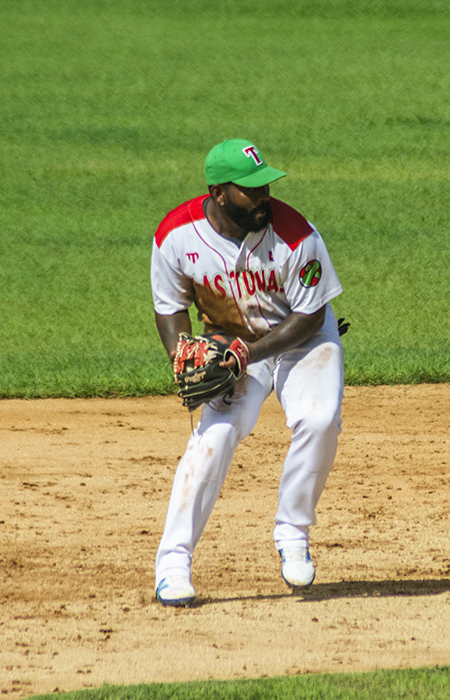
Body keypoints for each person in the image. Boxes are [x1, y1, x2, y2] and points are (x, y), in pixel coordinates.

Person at [150, 139, 345, 605]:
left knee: (319, 418)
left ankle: (293, 532)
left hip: (302, 340)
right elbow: (170, 306)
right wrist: (183, 353)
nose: (263, 198)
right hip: (229, 340)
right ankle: (173, 562)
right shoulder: (176, 236)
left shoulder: (297, 235)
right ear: (218, 193)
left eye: (266, 187)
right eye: (250, 190)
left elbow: (311, 317)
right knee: (214, 438)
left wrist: (247, 354)